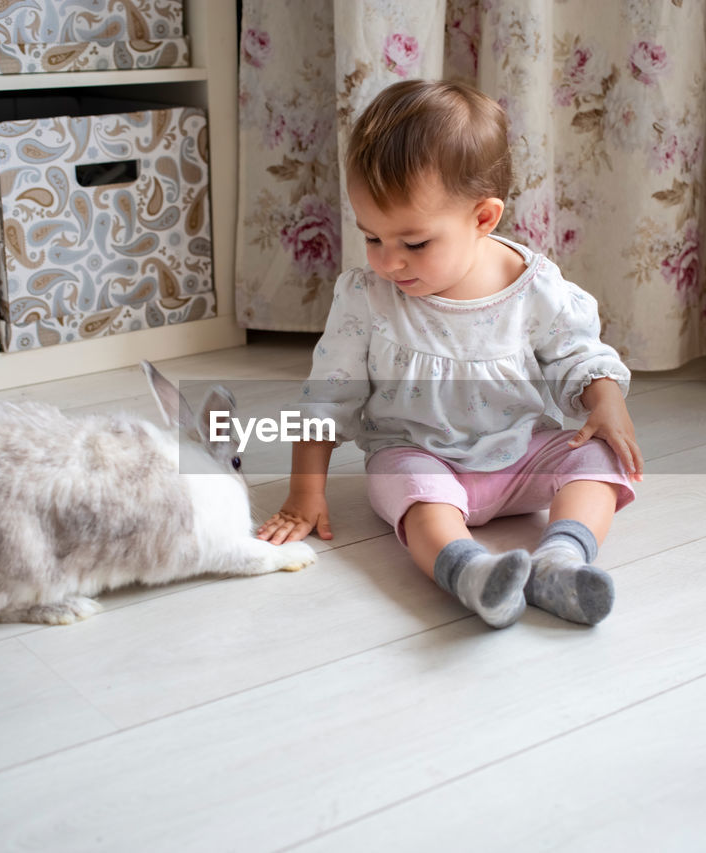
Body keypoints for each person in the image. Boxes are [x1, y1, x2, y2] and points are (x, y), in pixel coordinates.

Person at [256, 79, 643, 629]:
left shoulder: (534, 288)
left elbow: (577, 353)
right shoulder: (367, 297)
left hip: (521, 455)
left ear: (483, 219)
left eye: (413, 243)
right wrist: (304, 492)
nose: (388, 261)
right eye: (372, 237)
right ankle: (468, 573)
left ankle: (561, 559)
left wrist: (605, 402)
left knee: (600, 459)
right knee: (411, 489)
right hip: (419, 456)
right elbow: (329, 395)